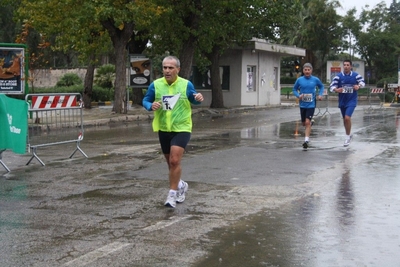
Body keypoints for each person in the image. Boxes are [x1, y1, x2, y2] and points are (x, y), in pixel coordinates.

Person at [142, 55, 204, 208]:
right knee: (171, 164)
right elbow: (145, 100)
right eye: (165, 68)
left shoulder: (185, 84)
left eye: (171, 68)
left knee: (175, 161)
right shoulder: (156, 85)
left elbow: (194, 98)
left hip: (182, 128)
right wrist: (150, 106)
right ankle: (181, 184)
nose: (167, 71)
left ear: (178, 69)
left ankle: (172, 195)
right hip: (163, 128)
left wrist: (198, 98)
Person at [330, 59, 365, 147]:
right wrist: (336, 89)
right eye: (344, 65)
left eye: (347, 65)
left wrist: (358, 86)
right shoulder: (338, 76)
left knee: (347, 118)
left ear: (351, 66)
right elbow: (332, 86)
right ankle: (348, 135)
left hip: (352, 100)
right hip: (342, 101)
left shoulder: (355, 75)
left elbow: (362, 82)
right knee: (345, 120)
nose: (346, 66)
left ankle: (347, 137)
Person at [292, 63, 324, 150]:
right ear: (303, 71)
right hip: (302, 104)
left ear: (311, 71)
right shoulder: (299, 80)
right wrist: (298, 95)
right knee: (304, 123)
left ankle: (306, 141)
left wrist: (320, 95)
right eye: (305, 70)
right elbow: (294, 89)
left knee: (307, 122)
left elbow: (321, 86)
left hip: (311, 104)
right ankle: (310, 123)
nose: (307, 71)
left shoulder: (315, 79)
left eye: (308, 70)